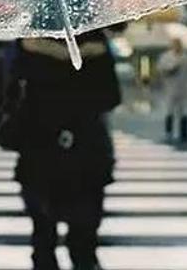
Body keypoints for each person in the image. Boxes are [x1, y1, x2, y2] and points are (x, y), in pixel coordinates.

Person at [12, 30, 120, 270]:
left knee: (43, 238)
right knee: (84, 241)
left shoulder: (28, 43)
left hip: (40, 147)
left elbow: (12, 92)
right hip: (86, 148)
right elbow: (111, 97)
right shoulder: (97, 44)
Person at [157, 38, 187, 142]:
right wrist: (172, 68)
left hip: (185, 88)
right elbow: (161, 70)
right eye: (175, 44)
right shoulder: (166, 57)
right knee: (169, 110)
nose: (177, 46)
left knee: (185, 111)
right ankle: (169, 131)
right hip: (171, 87)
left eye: (179, 44)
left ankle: (184, 133)